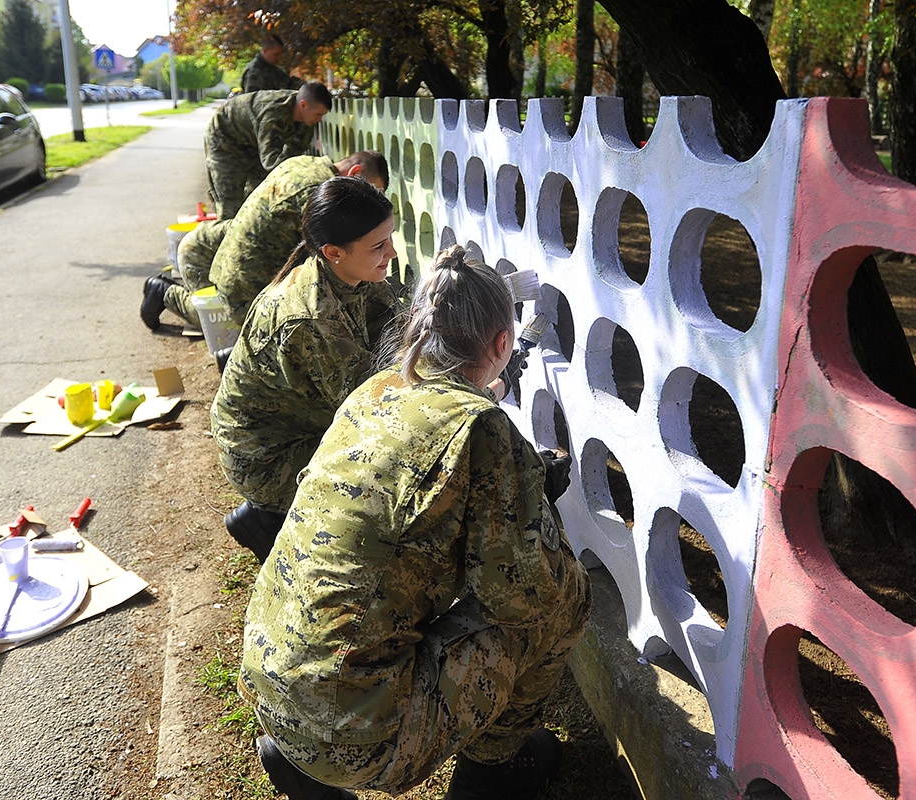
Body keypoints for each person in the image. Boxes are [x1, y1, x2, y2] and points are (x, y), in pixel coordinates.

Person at [238, 244, 590, 800]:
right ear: (503, 344)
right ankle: (490, 777)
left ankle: (299, 754)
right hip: (361, 737)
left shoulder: (372, 392)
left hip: (271, 682)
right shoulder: (480, 430)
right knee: (563, 600)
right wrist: (534, 512)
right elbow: (522, 596)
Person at [210, 176, 400, 560]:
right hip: (267, 457)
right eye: (379, 245)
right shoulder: (312, 320)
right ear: (333, 252)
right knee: (386, 466)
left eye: (390, 238)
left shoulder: (352, 273)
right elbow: (372, 414)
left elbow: (396, 328)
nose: (392, 253)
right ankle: (267, 518)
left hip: (297, 425)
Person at [141, 151, 389, 333]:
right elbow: (332, 263)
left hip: (230, 257)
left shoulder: (305, 163)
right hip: (244, 277)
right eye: (368, 190)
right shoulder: (317, 193)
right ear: (355, 173)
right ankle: (165, 293)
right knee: (240, 328)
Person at [203, 81, 332, 219]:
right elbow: (271, 163)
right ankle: (222, 236)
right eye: (318, 114)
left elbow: (294, 158)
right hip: (225, 139)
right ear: (303, 105)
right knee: (230, 202)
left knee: (259, 198)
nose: (319, 120)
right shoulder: (274, 112)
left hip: (253, 144)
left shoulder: (307, 119)